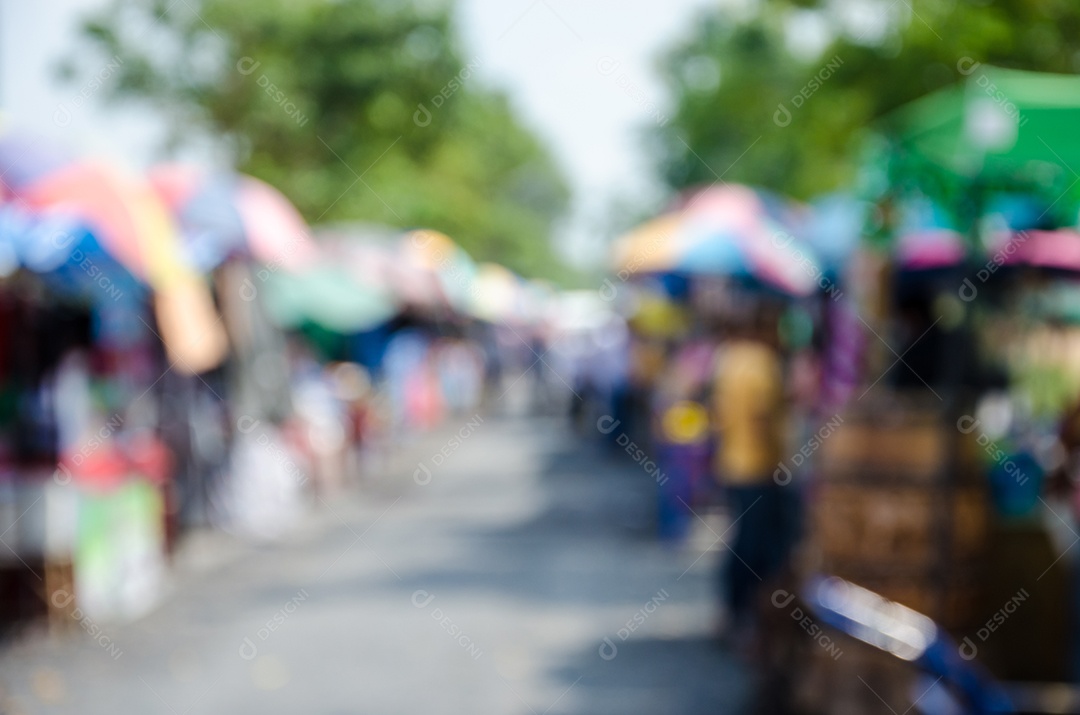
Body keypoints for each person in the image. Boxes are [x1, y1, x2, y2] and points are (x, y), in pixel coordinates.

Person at [711, 310, 788, 646]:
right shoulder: (762, 362)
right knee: (754, 544)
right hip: (758, 466)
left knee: (742, 540)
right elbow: (761, 416)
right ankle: (748, 615)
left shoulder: (726, 358)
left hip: (731, 463)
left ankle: (734, 612)